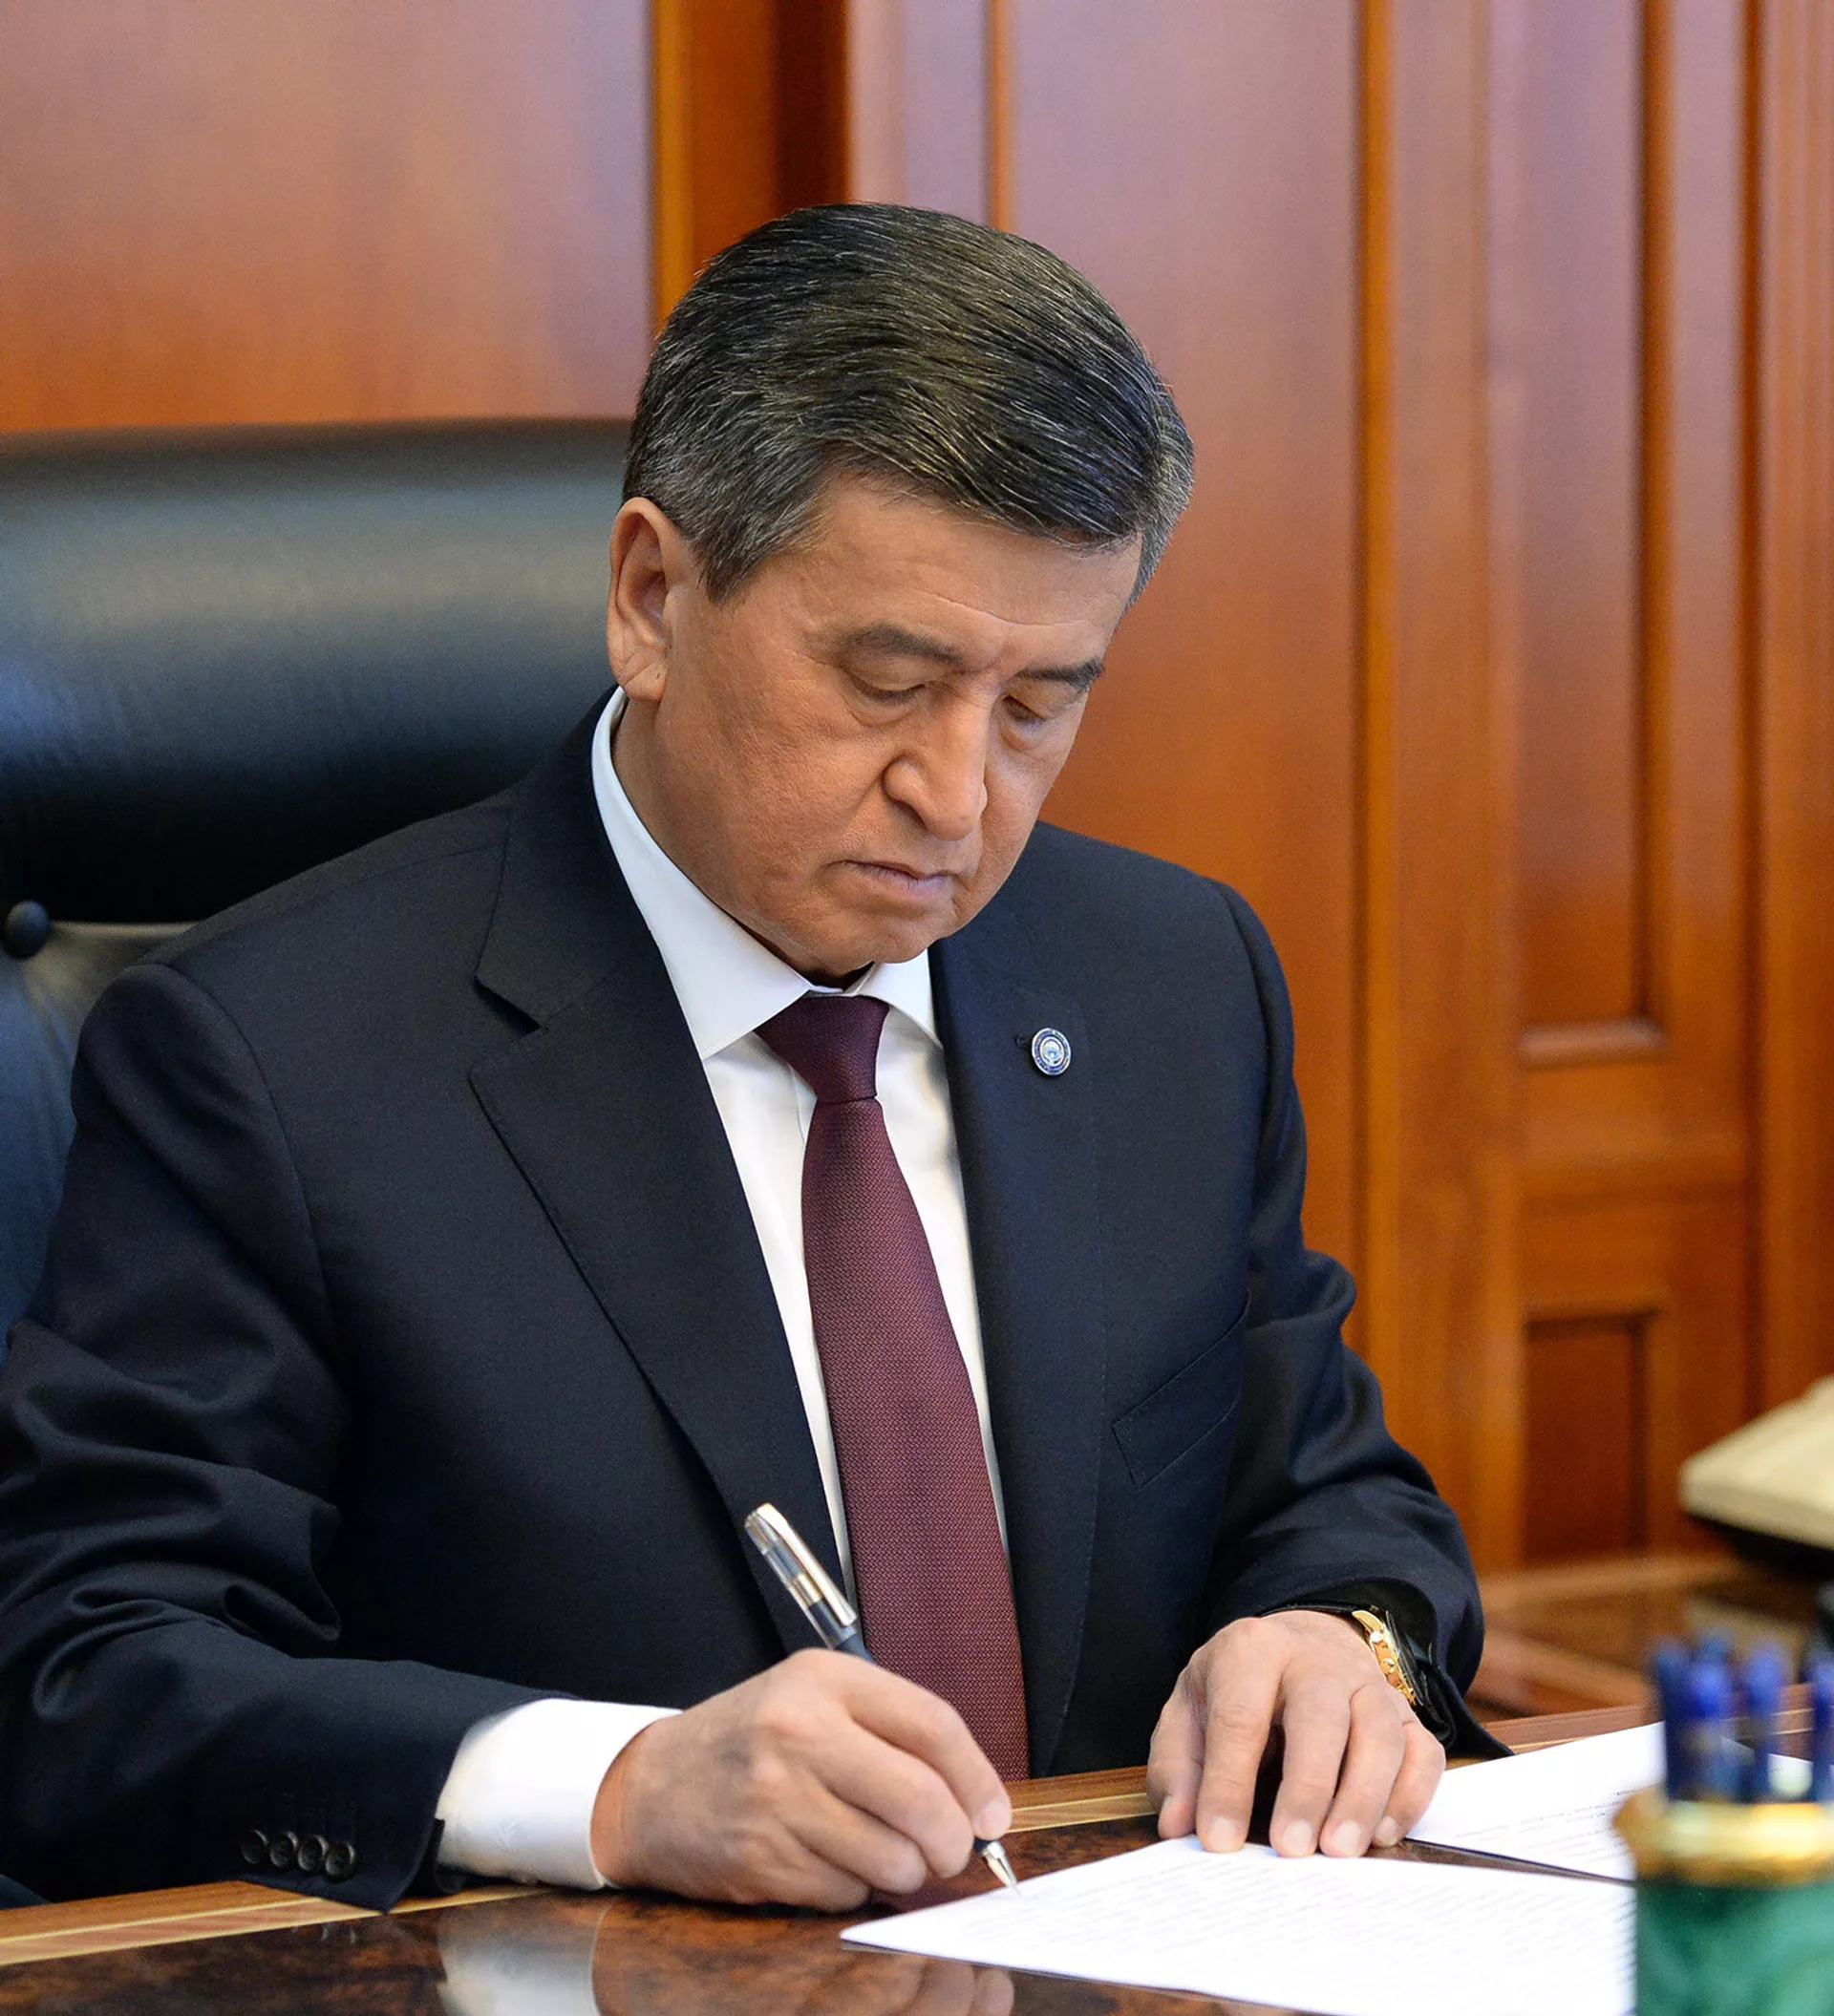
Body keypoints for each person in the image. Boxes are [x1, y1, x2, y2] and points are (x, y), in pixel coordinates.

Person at [0, 205, 1492, 1915]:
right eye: (889, 681)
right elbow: (81, 1668)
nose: (957, 794)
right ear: (653, 597)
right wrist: (608, 1786)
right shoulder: (271, 1055)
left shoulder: (1172, 980)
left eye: (1039, 705)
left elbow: (1326, 1489)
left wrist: (1338, 1635)